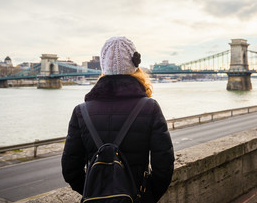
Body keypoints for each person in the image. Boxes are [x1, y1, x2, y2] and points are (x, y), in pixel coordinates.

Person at [61, 36, 175, 202]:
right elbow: (164, 167)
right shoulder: (150, 108)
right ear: (135, 65)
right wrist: (146, 196)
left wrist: (95, 192)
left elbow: (70, 170)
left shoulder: (81, 112)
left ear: (103, 66)